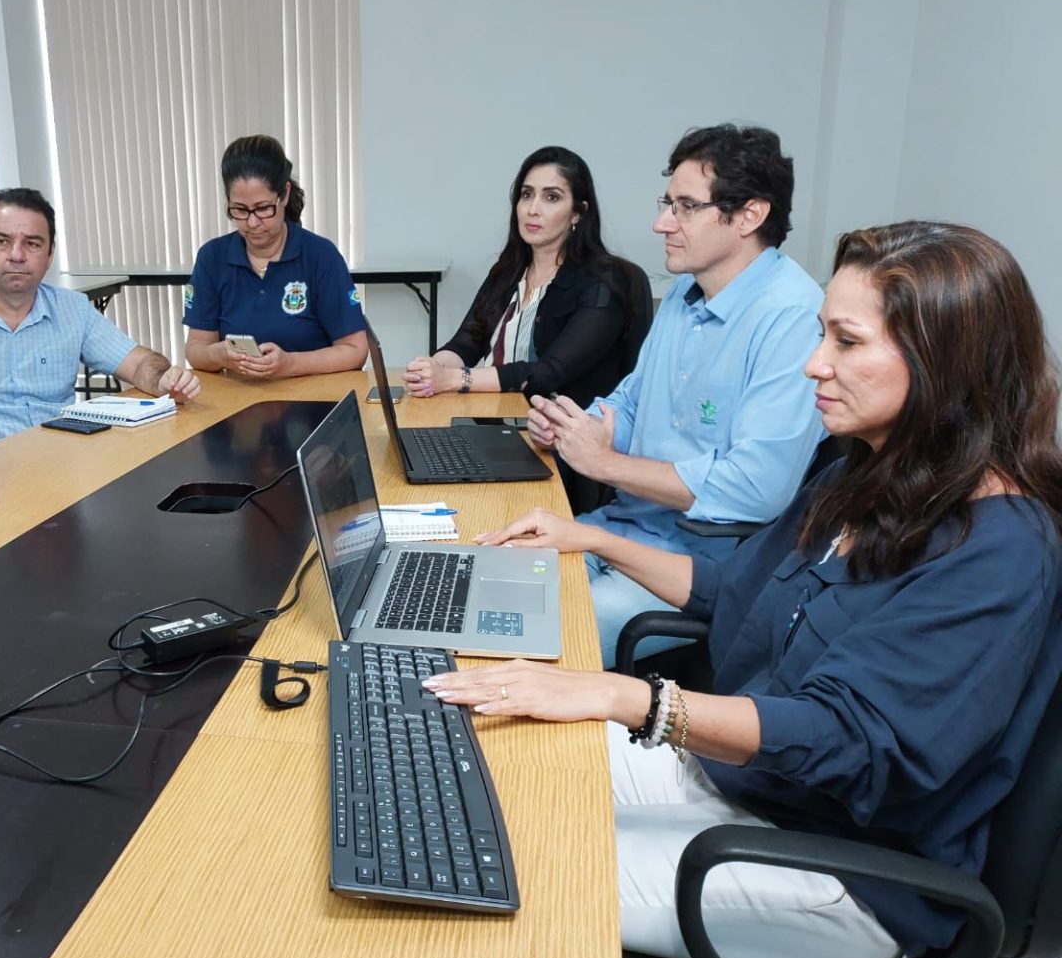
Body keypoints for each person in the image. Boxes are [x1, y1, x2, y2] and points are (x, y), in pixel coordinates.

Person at [432, 222, 1062, 958]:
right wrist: (591, 539)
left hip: (842, 873)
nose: (814, 364)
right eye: (822, 335)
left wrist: (628, 698)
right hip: (747, 784)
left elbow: (851, 740)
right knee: (473, 762)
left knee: (478, 866)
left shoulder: (999, 548)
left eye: (846, 342)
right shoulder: (861, 474)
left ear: (944, 362)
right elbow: (736, 589)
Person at [521, 124, 824, 666]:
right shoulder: (687, 290)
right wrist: (578, 427)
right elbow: (632, 401)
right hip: (623, 526)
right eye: (668, 204)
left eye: (685, 207)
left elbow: (757, 490)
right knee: (489, 585)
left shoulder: (792, 317)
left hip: (701, 567)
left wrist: (605, 464)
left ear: (749, 215)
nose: (662, 223)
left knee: (534, 642)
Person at [0, 187, 200, 455]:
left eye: (32, 244)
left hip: (58, 470)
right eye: (1, 241)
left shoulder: (73, 310)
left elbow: (139, 363)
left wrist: (164, 380)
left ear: (49, 254)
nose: (17, 255)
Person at [402, 145, 642, 404]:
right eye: (526, 195)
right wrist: (431, 369)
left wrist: (454, 379)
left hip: (557, 426)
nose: (532, 209)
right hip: (492, 418)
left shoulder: (603, 281)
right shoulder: (508, 270)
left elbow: (549, 372)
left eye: (551, 197)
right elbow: (466, 342)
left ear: (578, 213)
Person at [184, 134, 366, 380]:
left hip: (312, 395)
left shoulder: (321, 256)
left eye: (263, 208)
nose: (252, 222)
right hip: (239, 394)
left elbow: (355, 350)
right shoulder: (212, 258)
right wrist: (219, 354)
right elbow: (196, 349)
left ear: (285, 194)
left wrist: (290, 364)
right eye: (239, 210)